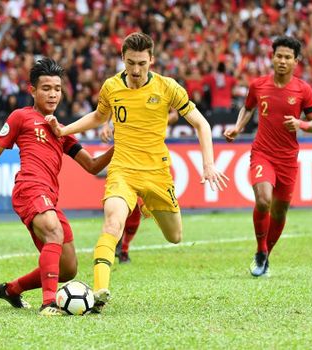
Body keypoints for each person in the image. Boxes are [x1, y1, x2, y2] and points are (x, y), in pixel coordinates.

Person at [46, 32, 229, 312]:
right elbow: (98, 117)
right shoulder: (111, 87)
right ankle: (99, 291)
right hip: (122, 170)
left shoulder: (168, 88)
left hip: (157, 173)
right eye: (130, 62)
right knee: (112, 223)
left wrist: (208, 164)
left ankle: (149, 208)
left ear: (152, 60)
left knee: (175, 236)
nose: (135, 70)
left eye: (142, 63)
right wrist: (65, 129)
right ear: (122, 58)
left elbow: (202, 124)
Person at [0, 58, 114, 316]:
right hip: (29, 189)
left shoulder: (63, 130)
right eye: (46, 88)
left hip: (49, 197)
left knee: (68, 268)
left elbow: (91, 166)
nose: (53, 93)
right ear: (32, 90)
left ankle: (12, 289)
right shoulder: (20, 117)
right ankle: (49, 304)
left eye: (57, 88)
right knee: (54, 234)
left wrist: (118, 147)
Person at [223, 36, 312, 277]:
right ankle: (259, 250)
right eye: (279, 56)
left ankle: (266, 256)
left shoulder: (303, 89)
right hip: (262, 153)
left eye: (288, 57)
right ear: (272, 57)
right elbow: (248, 107)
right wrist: (238, 127)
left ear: (296, 61)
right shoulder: (258, 85)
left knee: (279, 211)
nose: (282, 61)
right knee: (264, 200)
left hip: (287, 158)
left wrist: (300, 123)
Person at [98, 110, 179, 264]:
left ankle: (124, 249)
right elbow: (107, 104)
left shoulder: (165, 87)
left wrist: (155, 123)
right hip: (126, 154)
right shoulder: (120, 87)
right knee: (121, 206)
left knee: (137, 208)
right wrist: (105, 125)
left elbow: (175, 114)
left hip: (150, 157)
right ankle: (117, 245)